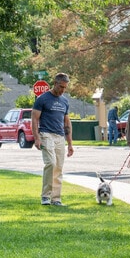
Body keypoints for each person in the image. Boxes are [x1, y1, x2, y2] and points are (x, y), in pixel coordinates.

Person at [31, 73, 74, 207]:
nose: (62, 90)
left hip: (59, 136)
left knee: (59, 167)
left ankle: (56, 198)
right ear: (54, 83)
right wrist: (37, 138)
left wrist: (70, 143)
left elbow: (67, 123)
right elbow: (34, 119)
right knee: (51, 163)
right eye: (61, 86)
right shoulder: (42, 99)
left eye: (65, 88)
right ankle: (45, 196)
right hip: (46, 134)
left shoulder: (64, 101)